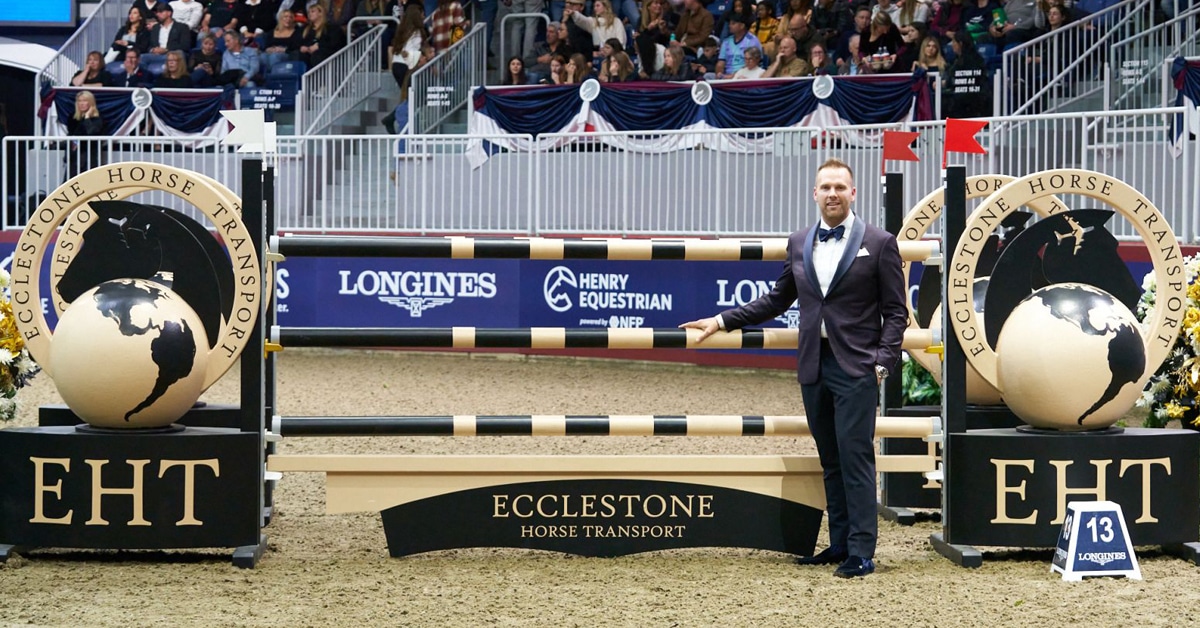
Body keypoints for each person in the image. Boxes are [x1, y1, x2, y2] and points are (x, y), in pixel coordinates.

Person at [679, 158, 907, 580]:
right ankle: (839, 544)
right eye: (826, 187)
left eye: (841, 186)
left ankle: (862, 551)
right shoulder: (799, 241)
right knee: (830, 459)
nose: (833, 193)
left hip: (856, 367)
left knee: (856, 459)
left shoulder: (879, 242)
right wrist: (721, 320)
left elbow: (897, 312)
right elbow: (776, 299)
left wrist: (881, 364)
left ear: (853, 194)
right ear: (815, 194)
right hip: (813, 367)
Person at [943, 29, 990, 117]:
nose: (952, 45)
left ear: (960, 43)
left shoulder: (972, 60)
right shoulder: (958, 60)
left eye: (954, 42)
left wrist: (946, 83)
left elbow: (966, 79)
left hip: (971, 99)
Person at [67, 91, 106, 180]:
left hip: (90, 154)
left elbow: (92, 132)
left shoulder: (98, 118)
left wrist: (87, 117)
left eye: (84, 101)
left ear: (90, 102)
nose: (82, 103)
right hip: (75, 154)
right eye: (79, 101)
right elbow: (73, 134)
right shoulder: (72, 117)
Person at [389, 4, 427, 94]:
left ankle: (402, 108)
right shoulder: (417, 33)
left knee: (406, 95)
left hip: (396, 64)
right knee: (411, 96)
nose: (424, 16)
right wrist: (422, 58)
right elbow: (411, 51)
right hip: (406, 66)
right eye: (422, 14)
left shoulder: (402, 30)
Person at [301, 2, 348, 67]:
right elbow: (298, 42)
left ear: (320, 13)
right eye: (308, 12)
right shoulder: (305, 29)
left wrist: (319, 46)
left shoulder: (331, 28)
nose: (309, 14)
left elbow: (335, 43)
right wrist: (303, 47)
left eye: (312, 11)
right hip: (308, 55)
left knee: (318, 55)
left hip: (326, 56)